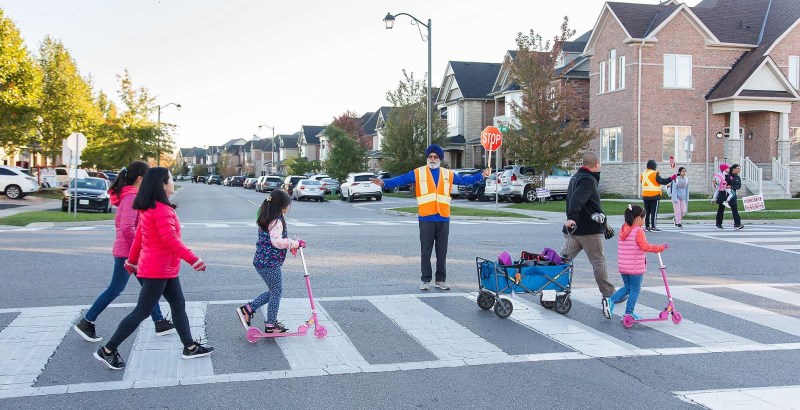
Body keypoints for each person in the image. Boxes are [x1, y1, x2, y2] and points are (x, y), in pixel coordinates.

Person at [94, 167, 212, 370]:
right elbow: (170, 240)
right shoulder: (161, 209)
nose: (173, 182)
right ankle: (108, 350)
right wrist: (193, 259)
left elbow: (139, 236)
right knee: (142, 311)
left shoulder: (151, 207)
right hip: (158, 269)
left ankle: (190, 346)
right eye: (171, 179)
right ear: (163, 184)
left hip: (163, 268)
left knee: (178, 305)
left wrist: (131, 261)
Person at [74, 162, 175, 342]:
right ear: (140, 179)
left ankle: (159, 321)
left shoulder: (132, 195)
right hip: (128, 254)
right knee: (116, 289)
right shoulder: (131, 197)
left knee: (148, 287)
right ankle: (87, 321)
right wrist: (141, 249)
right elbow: (127, 227)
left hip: (132, 253)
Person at [370, 144, 490, 290]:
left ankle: (440, 280)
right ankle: (425, 280)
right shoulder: (418, 172)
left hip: (443, 217)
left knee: (442, 251)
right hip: (426, 217)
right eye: (430, 157)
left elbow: (465, 180)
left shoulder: (448, 174)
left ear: (440, 159)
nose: (432, 159)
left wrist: (481, 175)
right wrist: (384, 182)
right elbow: (401, 179)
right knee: (426, 250)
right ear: (427, 158)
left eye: (435, 157)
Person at [236, 189, 305, 333]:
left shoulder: (267, 216)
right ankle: (270, 324)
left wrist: (289, 245)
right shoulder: (276, 221)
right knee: (276, 291)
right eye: (288, 204)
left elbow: (274, 240)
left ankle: (248, 310)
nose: (289, 207)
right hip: (269, 263)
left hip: (262, 261)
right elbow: (277, 242)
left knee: (274, 291)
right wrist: (293, 243)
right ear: (281, 206)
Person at [562, 152, 618, 319]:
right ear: (597, 164)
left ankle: (553, 289)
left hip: (574, 232)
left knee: (563, 261)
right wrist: (572, 217)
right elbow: (577, 200)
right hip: (589, 231)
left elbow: (583, 203)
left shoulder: (576, 177)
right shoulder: (588, 179)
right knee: (598, 262)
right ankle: (608, 293)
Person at [606, 204, 669, 321]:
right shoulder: (638, 230)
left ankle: (611, 301)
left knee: (628, 287)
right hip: (635, 268)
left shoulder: (624, 228)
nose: (644, 221)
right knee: (635, 289)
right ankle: (627, 312)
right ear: (639, 218)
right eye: (644, 218)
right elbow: (645, 246)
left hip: (623, 266)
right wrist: (660, 248)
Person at [640, 159, 675, 232]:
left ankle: (647, 226)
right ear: (654, 166)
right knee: (654, 212)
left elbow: (642, 182)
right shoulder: (655, 173)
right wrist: (671, 178)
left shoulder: (643, 173)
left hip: (645, 195)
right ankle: (653, 226)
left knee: (647, 212)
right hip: (654, 195)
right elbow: (662, 181)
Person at [715, 164, 743, 230]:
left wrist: (732, 187)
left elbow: (738, 186)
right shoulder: (726, 174)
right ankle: (719, 224)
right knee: (721, 209)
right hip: (723, 194)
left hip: (732, 196)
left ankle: (737, 224)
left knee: (735, 210)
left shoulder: (737, 178)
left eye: (739, 168)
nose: (739, 170)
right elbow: (720, 182)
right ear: (733, 168)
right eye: (738, 168)